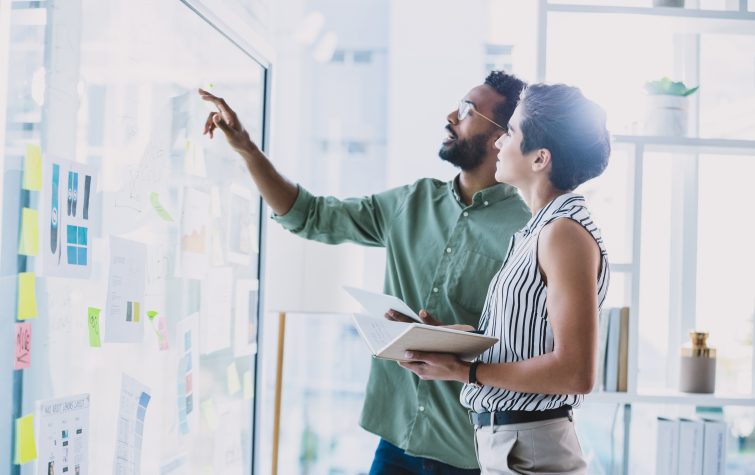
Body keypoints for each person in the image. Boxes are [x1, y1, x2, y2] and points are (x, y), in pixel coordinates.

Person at [199, 71, 531, 474]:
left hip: (468, 452)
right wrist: (248, 150)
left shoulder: (527, 229)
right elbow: (311, 215)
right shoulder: (411, 202)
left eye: (467, 111)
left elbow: (529, 348)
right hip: (395, 440)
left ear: (502, 136)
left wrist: (458, 341)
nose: (450, 116)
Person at [399, 83, 611, 475]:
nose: (499, 142)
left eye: (510, 132)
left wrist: (465, 372)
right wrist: (447, 342)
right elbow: (524, 345)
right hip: (510, 446)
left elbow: (576, 373)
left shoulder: (563, 233)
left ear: (539, 159)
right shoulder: (537, 231)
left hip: (533, 452)